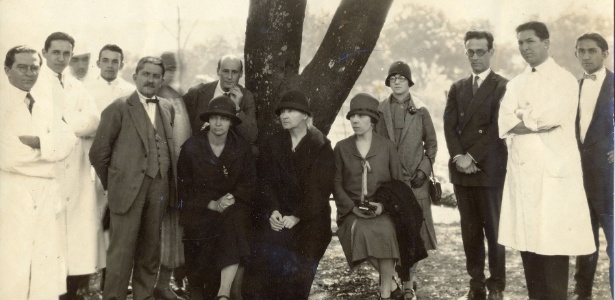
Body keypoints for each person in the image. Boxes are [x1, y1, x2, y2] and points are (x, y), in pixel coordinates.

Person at [497, 21, 595, 299]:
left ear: (545, 43)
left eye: (529, 41)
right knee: (529, 249)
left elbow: (551, 117)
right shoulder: (516, 82)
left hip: (553, 177)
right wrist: (531, 119)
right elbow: (504, 120)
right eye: (520, 43)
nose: (524, 48)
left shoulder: (563, 80)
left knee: (552, 246)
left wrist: (523, 116)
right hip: (523, 175)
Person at [90, 56, 178, 300]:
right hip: (127, 191)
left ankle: (144, 296)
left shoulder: (167, 107)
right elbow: (98, 153)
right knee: (121, 253)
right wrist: (115, 184)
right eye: (146, 74)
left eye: (156, 76)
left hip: (158, 188)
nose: (150, 79)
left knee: (150, 250)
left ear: (161, 80)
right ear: (135, 76)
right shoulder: (118, 107)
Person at [0, 45, 78, 300]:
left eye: (34, 67)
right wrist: (48, 152)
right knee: (13, 257)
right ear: (7, 69)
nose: (29, 73)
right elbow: (9, 156)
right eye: (22, 67)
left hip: (45, 190)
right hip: (12, 189)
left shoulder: (45, 106)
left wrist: (38, 143)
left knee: (45, 256)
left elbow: (68, 141)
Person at [31, 31, 101, 299]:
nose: (61, 58)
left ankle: (73, 291)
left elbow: (94, 120)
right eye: (56, 52)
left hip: (77, 168)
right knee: (50, 236)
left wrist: (64, 123)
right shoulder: (35, 84)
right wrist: (69, 126)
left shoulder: (77, 86)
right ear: (45, 53)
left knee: (76, 237)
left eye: (66, 53)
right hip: (49, 170)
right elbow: (40, 126)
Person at [245, 90, 335, 299]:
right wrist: (273, 211)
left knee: (297, 274)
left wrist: (296, 216)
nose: (284, 116)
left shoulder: (321, 145)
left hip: (309, 219)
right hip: (277, 216)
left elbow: (319, 191)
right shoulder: (273, 143)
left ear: (305, 115)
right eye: (282, 111)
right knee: (261, 266)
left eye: (291, 111)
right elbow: (265, 182)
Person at [443, 31, 508, 300]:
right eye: (470, 51)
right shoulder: (457, 87)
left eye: (480, 51)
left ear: (492, 52)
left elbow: (497, 129)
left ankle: (496, 286)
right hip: (463, 172)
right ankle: (476, 283)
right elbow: (449, 127)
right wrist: (459, 157)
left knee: (494, 232)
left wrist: (473, 157)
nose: (475, 57)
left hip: (489, 170)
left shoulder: (503, 86)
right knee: (470, 232)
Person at [177, 96, 256, 300]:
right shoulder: (191, 147)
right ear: (208, 120)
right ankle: (210, 289)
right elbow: (184, 188)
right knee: (204, 232)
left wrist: (231, 197)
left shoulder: (242, 148)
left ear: (231, 122)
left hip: (231, 207)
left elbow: (249, 182)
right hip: (200, 209)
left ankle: (223, 293)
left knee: (234, 219)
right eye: (214, 118)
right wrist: (210, 204)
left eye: (224, 118)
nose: (218, 123)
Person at [375, 61, 438, 299]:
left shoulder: (421, 110)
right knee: (392, 230)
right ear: (388, 82)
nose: (397, 81)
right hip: (391, 182)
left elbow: (432, 144)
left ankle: (409, 280)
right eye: (393, 78)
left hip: (416, 182)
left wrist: (424, 169)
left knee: (415, 231)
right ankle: (391, 277)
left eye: (402, 78)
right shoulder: (380, 110)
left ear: (409, 82)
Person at [334, 94, 404, 300]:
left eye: (360, 116)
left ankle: (385, 292)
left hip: (382, 208)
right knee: (363, 233)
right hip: (352, 211)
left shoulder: (387, 147)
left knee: (387, 231)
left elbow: (397, 184)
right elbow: (336, 184)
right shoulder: (342, 147)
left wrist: (382, 206)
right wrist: (352, 208)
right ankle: (391, 284)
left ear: (372, 120)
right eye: (352, 116)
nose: (354, 120)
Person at [568, 32, 614, 300]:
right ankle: (581, 292)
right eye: (581, 51)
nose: (586, 56)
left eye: (592, 51)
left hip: (610, 179)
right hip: (580, 178)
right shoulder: (574, 87)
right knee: (584, 240)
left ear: (605, 54)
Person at [155, 51, 191, 300]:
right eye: (165, 68)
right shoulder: (155, 97)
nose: (170, 72)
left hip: (181, 172)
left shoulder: (178, 95)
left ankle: (164, 283)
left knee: (175, 230)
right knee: (160, 230)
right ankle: (157, 284)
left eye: (173, 67)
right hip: (163, 173)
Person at [182, 54, 258, 150]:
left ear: (241, 74)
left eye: (234, 72)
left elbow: (251, 137)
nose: (229, 77)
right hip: (200, 147)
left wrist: (237, 108)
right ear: (218, 71)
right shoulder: (200, 91)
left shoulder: (246, 97)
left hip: (229, 150)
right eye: (225, 71)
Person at [86, 44, 134, 112]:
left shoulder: (130, 91)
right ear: (98, 63)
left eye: (115, 62)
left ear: (121, 65)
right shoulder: (86, 89)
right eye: (105, 61)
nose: (110, 65)